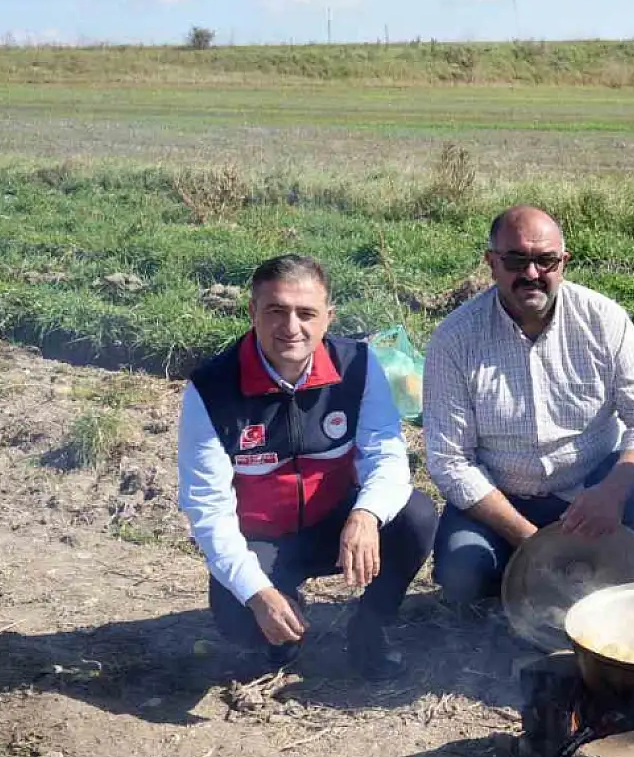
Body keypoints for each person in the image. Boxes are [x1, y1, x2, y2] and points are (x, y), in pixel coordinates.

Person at [177, 255, 438, 680]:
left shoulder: (359, 365)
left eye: (306, 313)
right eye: (276, 311)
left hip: (333, 525)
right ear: (252, 312)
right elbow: (207, 509)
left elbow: (387, 456)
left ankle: (370, 628)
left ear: (328, 317)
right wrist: (257, 592)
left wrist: (366, 515)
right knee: (241, 618)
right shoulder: (210, 388)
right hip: (260, 539)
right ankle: (282, 633)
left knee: (416, 515)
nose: (291, 327)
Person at [423, 205, 634, 608]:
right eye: (515, 260)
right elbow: (450, 460)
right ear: (491, 263)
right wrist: (531, 541)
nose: (531, 274)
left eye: (545, 260)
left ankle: (615, 569)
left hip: (591, 490)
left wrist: (613, 492)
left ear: (563, 262)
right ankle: (527, 574)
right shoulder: (455, 339)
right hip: (504, 499)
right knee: (463, 571)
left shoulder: (604, 320)